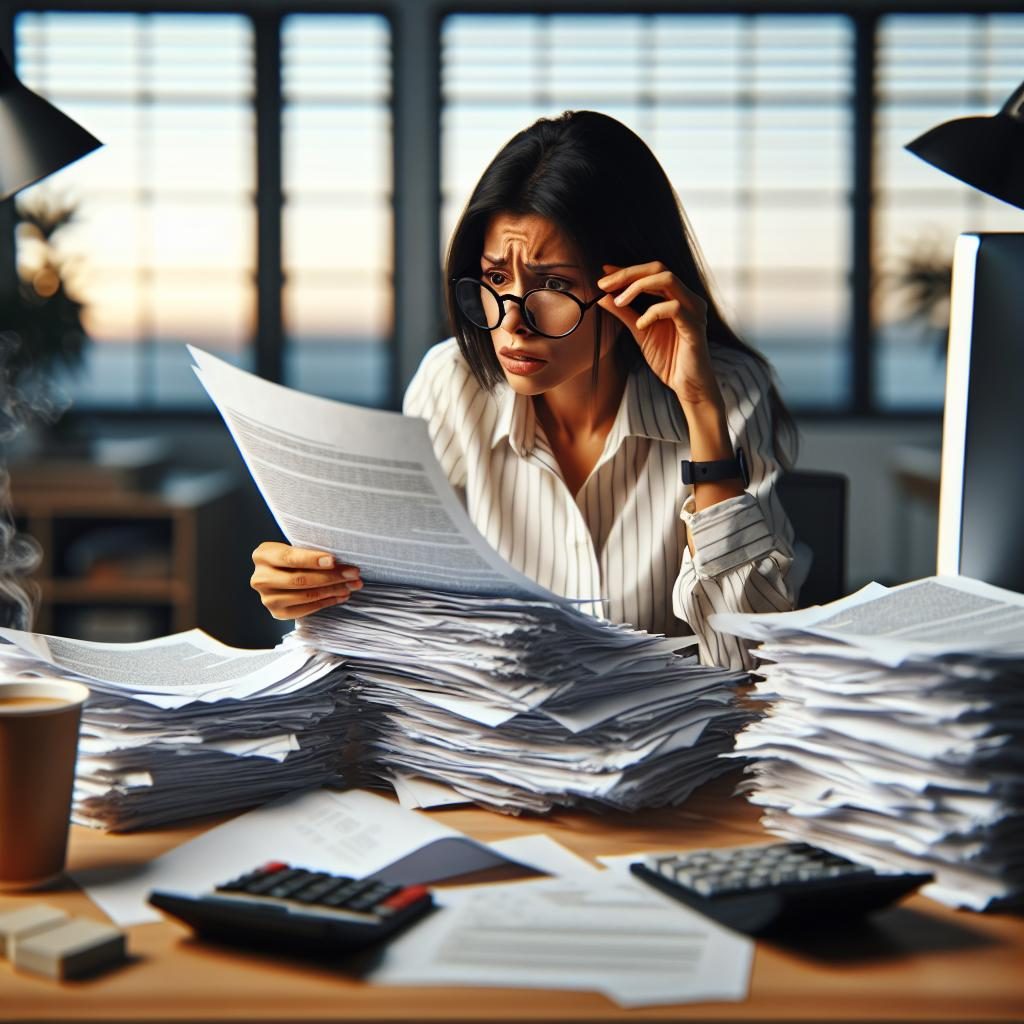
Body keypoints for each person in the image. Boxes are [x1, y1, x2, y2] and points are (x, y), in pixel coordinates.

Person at [251, 110, 800, 670]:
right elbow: (405, 620)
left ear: (633, 284)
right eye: (494, 279)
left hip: (659, 750)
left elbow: (748, 662)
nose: (512, 322)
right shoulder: (451, 383)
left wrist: (701, 409)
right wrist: (315, 591)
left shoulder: (725, 390)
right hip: (490, 746)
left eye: (554, 284)